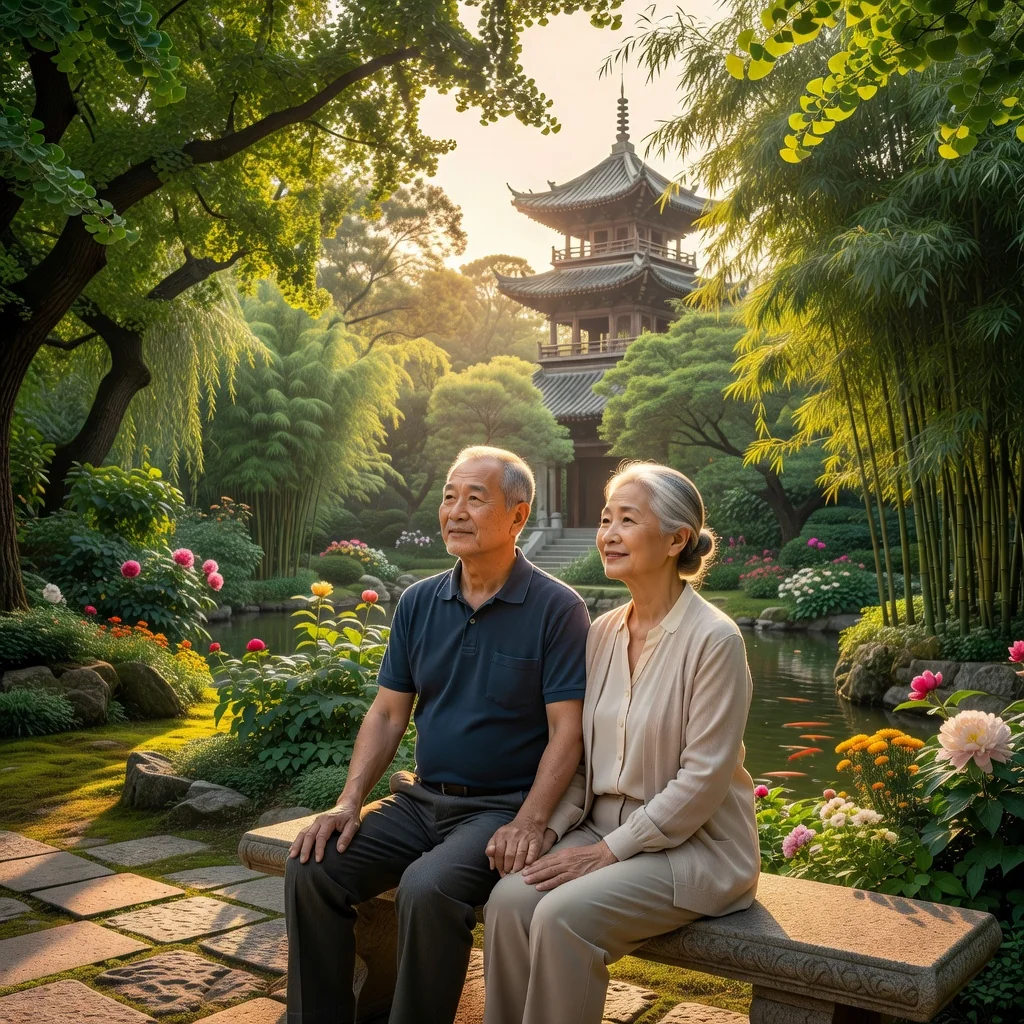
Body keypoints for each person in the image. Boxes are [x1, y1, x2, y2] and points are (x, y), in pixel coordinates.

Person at [284, 445, 590, 1024]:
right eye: (450, 496)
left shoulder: (558, 607)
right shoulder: (420, 601)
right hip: (421, 799)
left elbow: (566, 733)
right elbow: (386, 715)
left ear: (518, 515)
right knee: (312, 867)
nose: (455, 510)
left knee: (428, 888)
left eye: (476, 498)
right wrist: (348, 802)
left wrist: (529, 820)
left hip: (499, 811)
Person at [482, 462, 760, 1024]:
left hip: (694, 849)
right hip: (599, 829)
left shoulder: (715, 640)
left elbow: (703, 779)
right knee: (509, 901)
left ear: (676, 538)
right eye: (605, 519)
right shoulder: (603, 631)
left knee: (562, 916)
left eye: (626, 520)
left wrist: (607, 853)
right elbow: (583, 758)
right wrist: (551, 830)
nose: (607, 533)